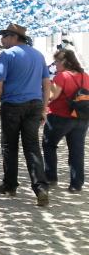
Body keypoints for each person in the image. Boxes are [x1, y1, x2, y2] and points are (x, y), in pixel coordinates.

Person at [0, 23, 50, 206]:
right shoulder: (39, 55)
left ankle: (10, 185)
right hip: (35, 105)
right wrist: (44, 108)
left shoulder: (7, 55)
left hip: (12, 104)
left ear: (14, 37)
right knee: (32, 147)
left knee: (9, 146)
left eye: (4, 36)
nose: (2, 39)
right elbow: (46, 83)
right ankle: (41, 188)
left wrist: (5, 100)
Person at [42, 49, 89, 193]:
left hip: (60, 116)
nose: (55, 64)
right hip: (81, 117)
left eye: (56, 61)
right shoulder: (85, 76)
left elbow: (52, 96)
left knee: (49, 144)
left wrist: (47, 86)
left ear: (65, 61)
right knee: (77, 150)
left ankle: (51, 177)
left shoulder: (61, 76)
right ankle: (76, 184)